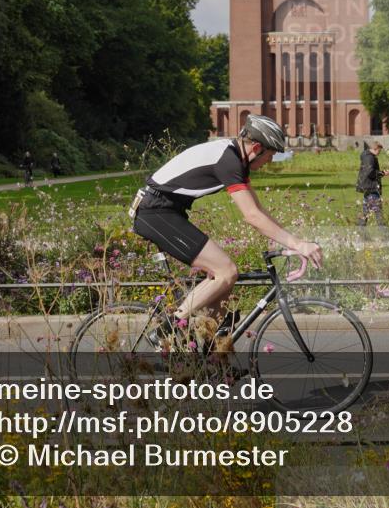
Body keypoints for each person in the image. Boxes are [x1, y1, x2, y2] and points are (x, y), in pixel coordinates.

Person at [131, 115, 323, 346]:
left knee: (223, 282)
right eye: (271, 155)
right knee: (227, 270)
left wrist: (289, 240)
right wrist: (297, 245)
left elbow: (258, 209)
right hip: (155, 212)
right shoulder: (228, 161)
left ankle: (207, 358)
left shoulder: (234, 157)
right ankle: (167, 329)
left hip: (166, 211)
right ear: (257, 148)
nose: (270, 161)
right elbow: (251, 216)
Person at [356, 142, 389, 226]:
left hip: (367, 188)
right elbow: (370, 172)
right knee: (379, 214)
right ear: (376, 149)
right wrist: (383, 173)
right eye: (379, 150)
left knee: (365, 213)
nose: (379, 153)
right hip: (371, 188)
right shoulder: (370, 158)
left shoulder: (366, 156)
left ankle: (360, 234)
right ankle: (386, 236)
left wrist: (382, 172)